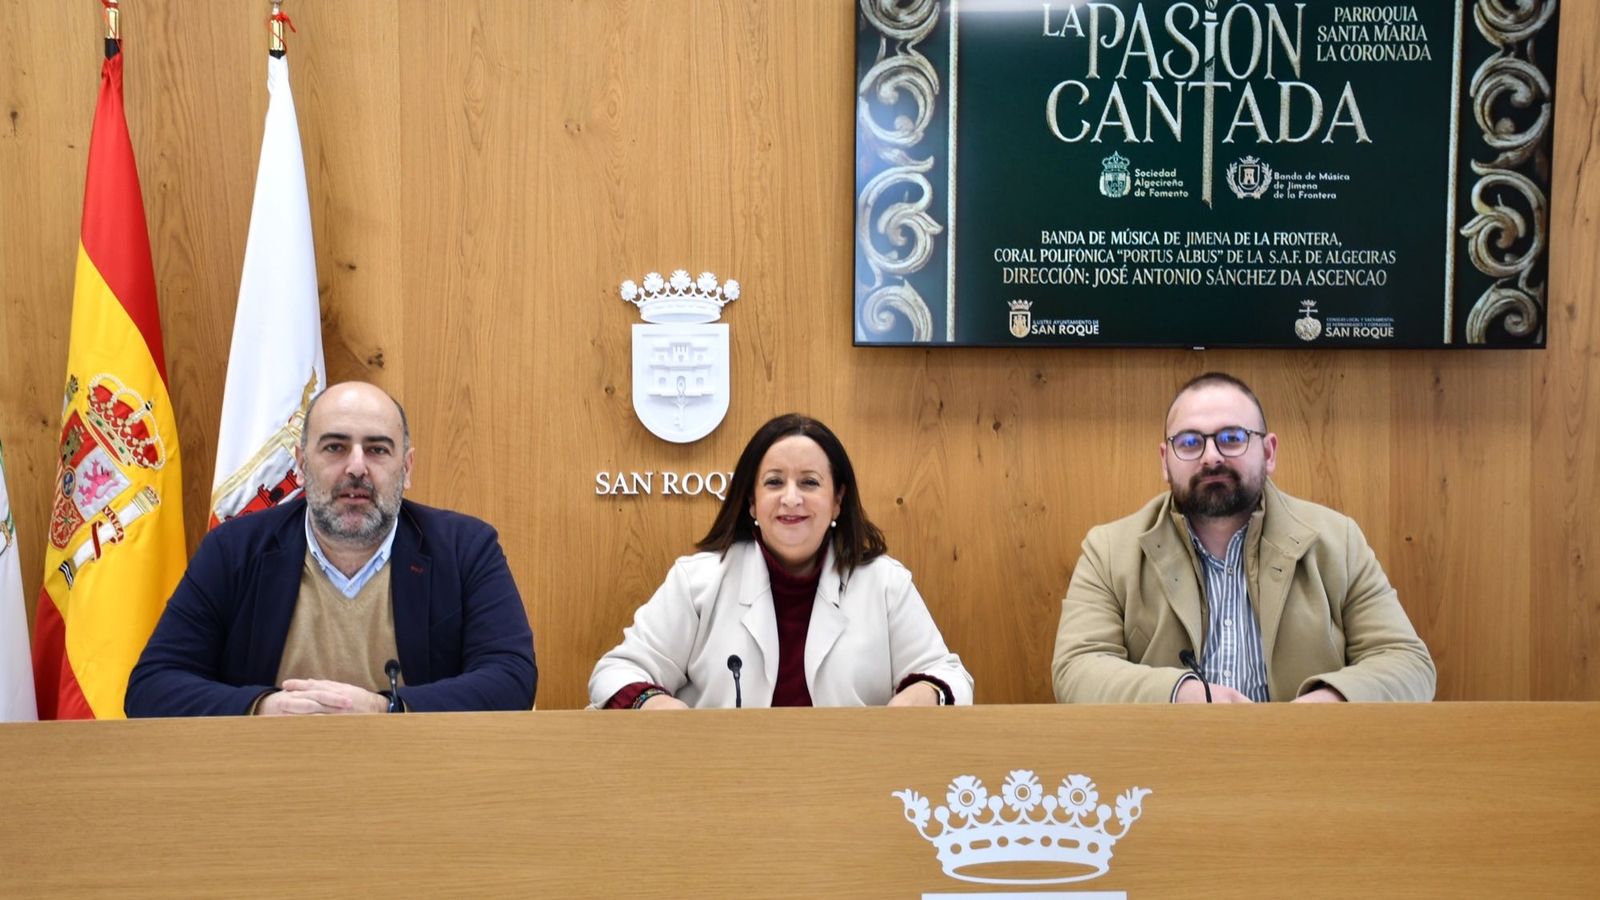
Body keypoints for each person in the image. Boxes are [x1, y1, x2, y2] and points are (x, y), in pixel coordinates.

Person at [126, 382, 536, 716]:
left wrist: (386, 709)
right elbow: (152, 686)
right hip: (268, 786)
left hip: (419, 784)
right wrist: (262, 707)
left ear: (406, 469)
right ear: (301, 465)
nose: (356, 467)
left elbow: (511, 679)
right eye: (335, 447)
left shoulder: (466, 549)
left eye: (377, 449)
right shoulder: (234, 550)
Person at [1052, 372, 1435, 704]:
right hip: (1166, 765)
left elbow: (1407, 662)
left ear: (1268, 452)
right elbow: (1076, 669)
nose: (1211, 457)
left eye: (1232, 438)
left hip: (1304, 763)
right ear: (1164, 461)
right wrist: (1182, 694)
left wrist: (1332, 700)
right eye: (1189, 442)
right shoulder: (1108, 550)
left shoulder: (1339, 541)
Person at [590, 414, 972, 709]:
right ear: (752, 501)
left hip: (852, 787)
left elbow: (948, 676)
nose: (791, 499)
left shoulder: (885, 584)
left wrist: (922, 694)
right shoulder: (698, 582)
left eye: (809, 482)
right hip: (720, 788)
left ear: (837, 500)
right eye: (774, 482)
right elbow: (616, 672)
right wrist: (655, 704)